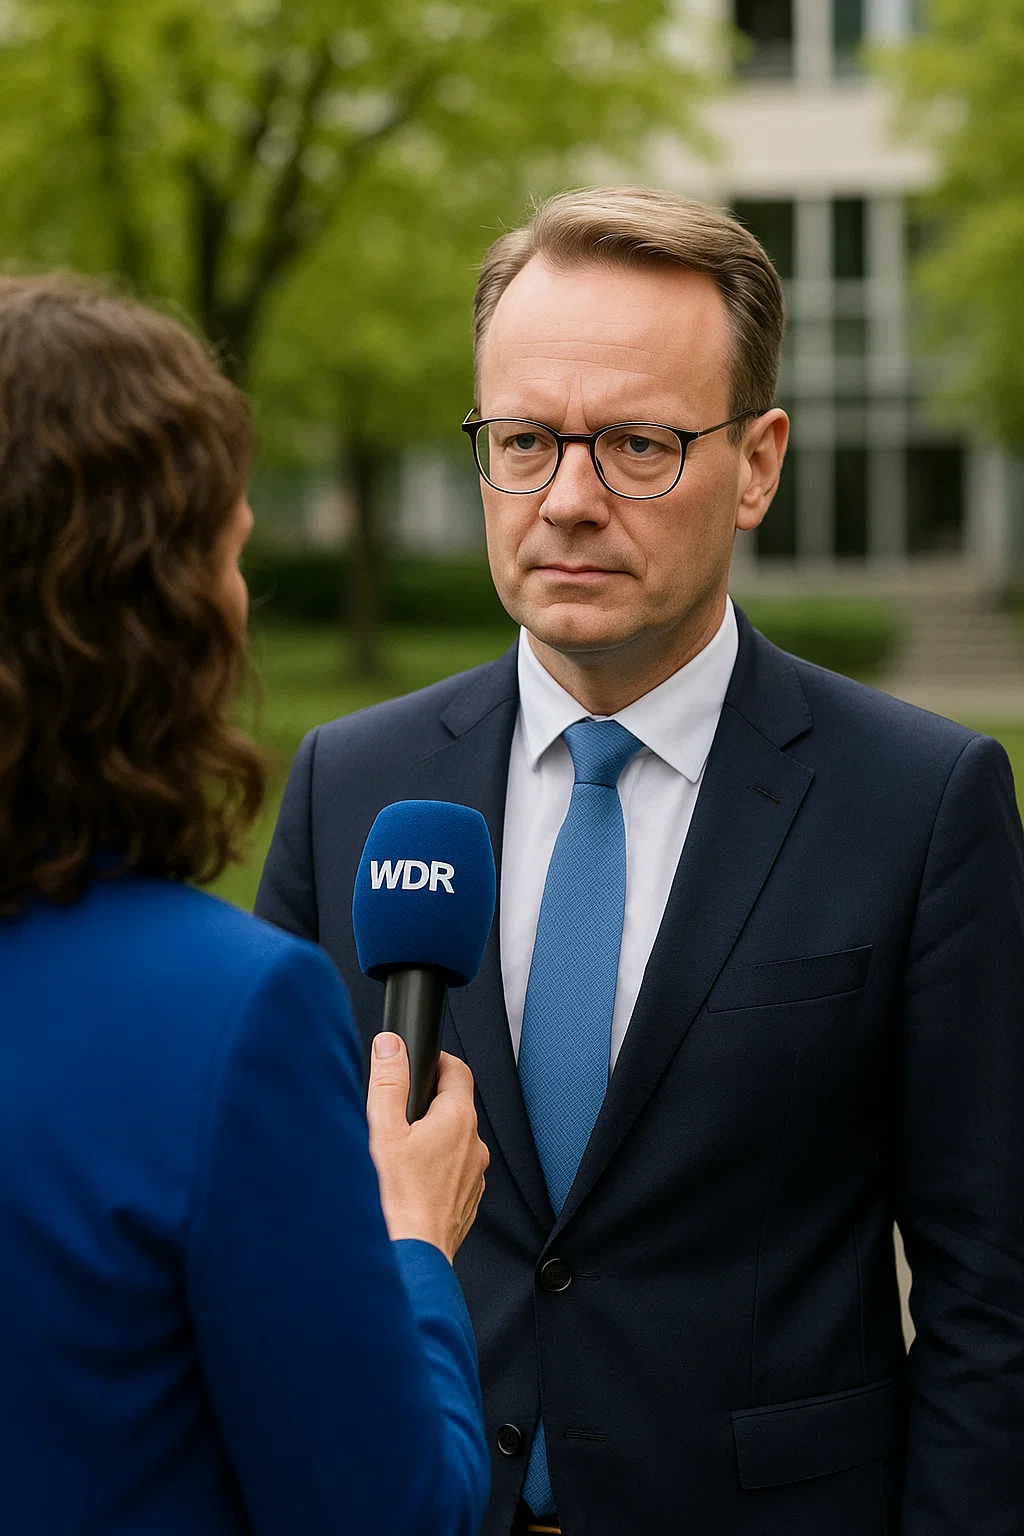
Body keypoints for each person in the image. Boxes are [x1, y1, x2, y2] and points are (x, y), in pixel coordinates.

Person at [256, 187, 1024, 1535]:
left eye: (636, 445)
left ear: (758, 465)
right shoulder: (351, 789)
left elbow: (991, 1292)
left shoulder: (921, 803)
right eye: (524, 441)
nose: (567, 501)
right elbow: (269, 1233)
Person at [0, 275, 490, 1536]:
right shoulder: (226, 1017)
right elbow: (390, 1513)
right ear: (152, 613)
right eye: (229, 551)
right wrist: (413, 1243)